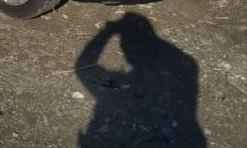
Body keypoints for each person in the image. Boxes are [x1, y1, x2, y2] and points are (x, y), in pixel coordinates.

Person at [76, 12, 205, 147]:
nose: (124, 47)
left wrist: (107, 31)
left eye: (124, 43)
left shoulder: (185, 65)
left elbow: (82, 66)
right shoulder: (187, 64)